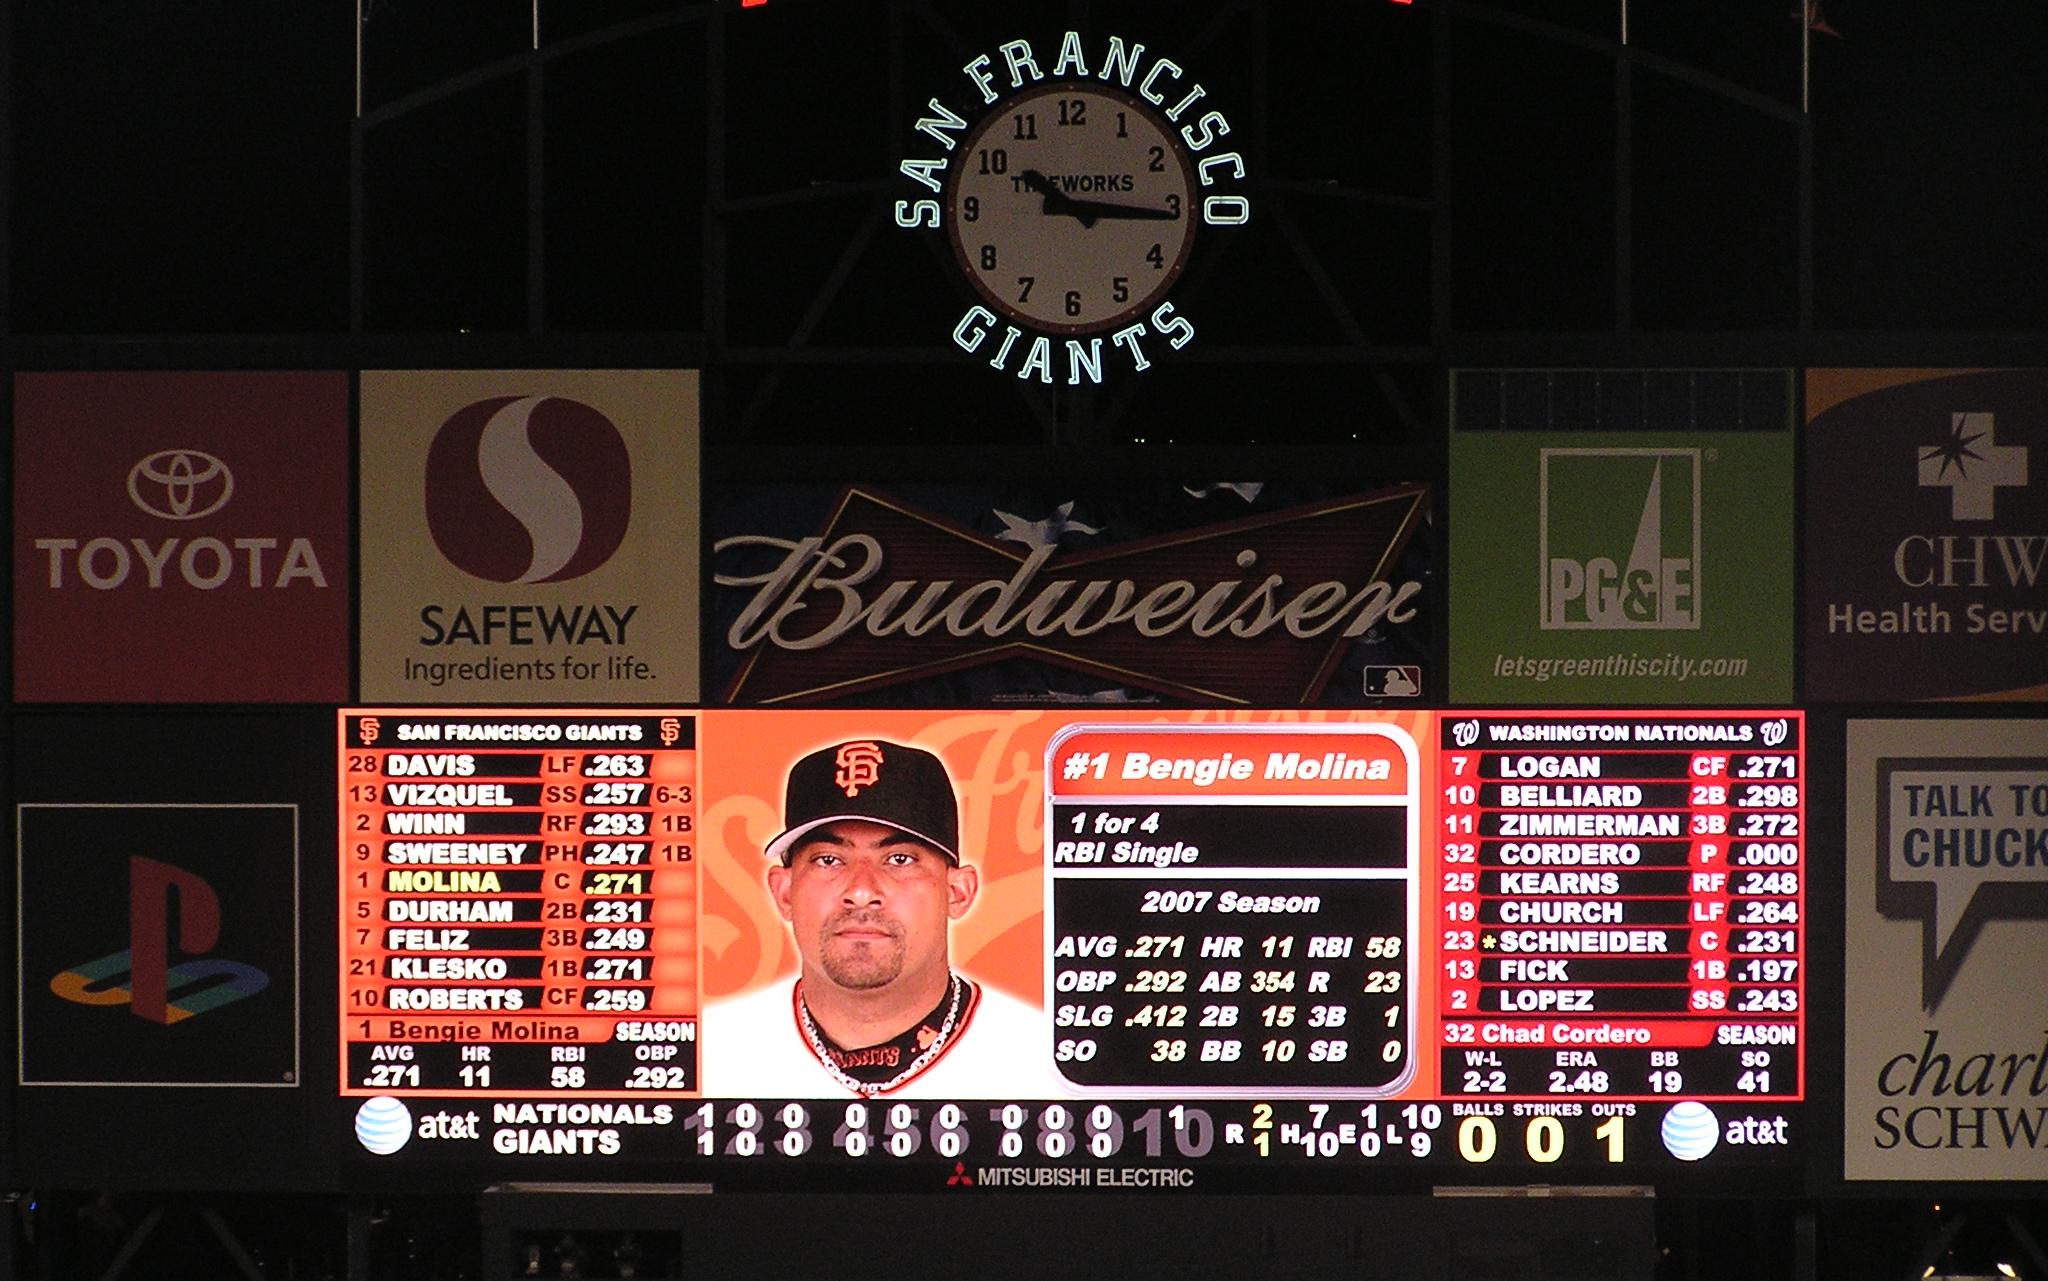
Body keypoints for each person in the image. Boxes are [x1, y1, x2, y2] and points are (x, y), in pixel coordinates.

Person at [698, 738, 1053, 1098]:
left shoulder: (1051, 1063)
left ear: (957, 892)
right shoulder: (706, 1056)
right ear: (784, 892)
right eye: (828, 859)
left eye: (899, 859)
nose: (862, 891)